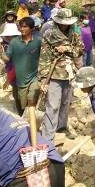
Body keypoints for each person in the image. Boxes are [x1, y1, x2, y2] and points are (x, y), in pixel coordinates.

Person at [39, 9, 83, 141]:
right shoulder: (49, 34)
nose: (65, 25)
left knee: (66, 103)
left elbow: (80, 50)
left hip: (69, 73)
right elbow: (44, 57)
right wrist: (43, 78)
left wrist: (67, 48)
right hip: (54, 74)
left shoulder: (74, 34)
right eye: (62, 23)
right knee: (52, 105)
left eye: (67, 23)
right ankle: (48, 136)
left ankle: (61, 127)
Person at [0, 17, 41, 115]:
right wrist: (0, 53)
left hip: (34, 77)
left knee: (32, 100)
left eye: (25, 27)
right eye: (21, 27)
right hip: (18, 79)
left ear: (32, 28)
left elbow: (43, 57)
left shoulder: (38, 41)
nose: (22, 29)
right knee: (21, 103)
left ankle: (31, 119)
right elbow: (7, 59)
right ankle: (23, 117)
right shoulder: (14, 43)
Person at [0, 23, 20, 92]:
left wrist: (8, 80)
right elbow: (6, 60)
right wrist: (1, 53)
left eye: (8, 36)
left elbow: (9, 61)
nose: (7, 37)